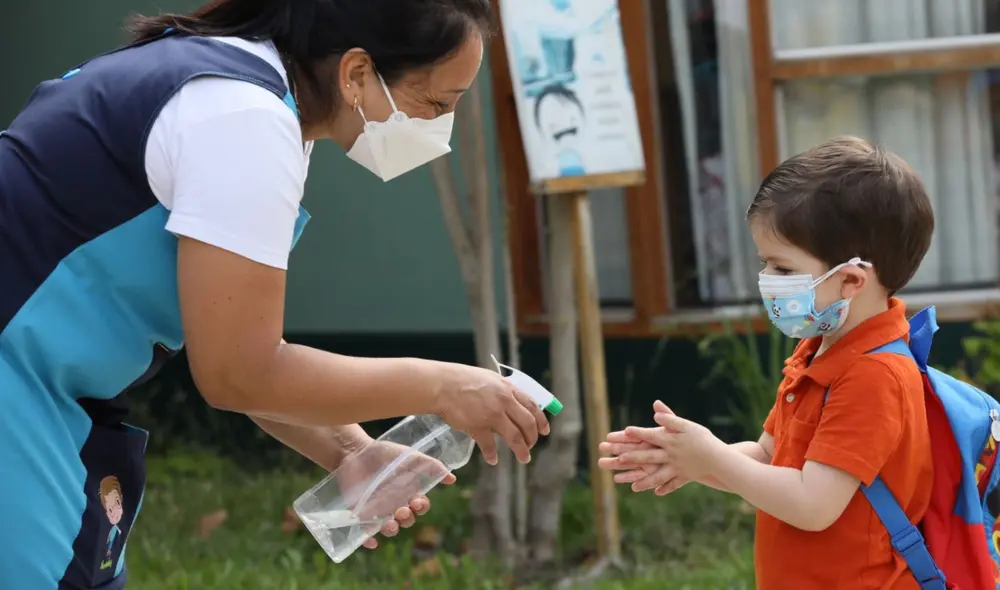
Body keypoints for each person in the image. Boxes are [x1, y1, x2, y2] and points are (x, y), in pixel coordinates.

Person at [0, 1, 551, 588]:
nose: (438, 129)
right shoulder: (244, 121)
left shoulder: (245, 97)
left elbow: (239, 342)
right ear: (357, 73)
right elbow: (239, 372)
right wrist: (444, 386)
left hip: (47, 391)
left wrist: (349, 452)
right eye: (435, 104)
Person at [598, 136, 936, 588]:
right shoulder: (820, 348)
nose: (767, 282)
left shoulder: (874, 376)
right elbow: (766, 459)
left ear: (852, 279)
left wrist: (711, 454)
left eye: (781, 269)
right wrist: (691, 463)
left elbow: (813, 504)